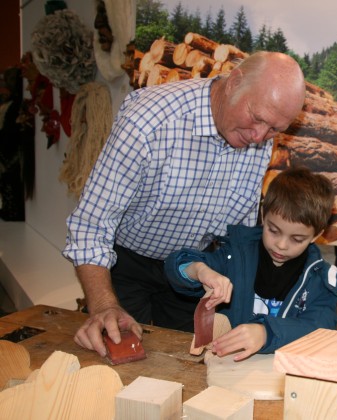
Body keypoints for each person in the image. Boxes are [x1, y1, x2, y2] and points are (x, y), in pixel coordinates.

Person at [63, 51, 306, 358]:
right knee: (121, 359)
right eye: (257, 118)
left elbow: (239, 231)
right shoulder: (148, 120)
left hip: (195, 271)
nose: (259, 136)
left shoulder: (257, 135)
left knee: (186, 363)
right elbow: (90, 225)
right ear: (234, 83)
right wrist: (103, 305)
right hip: (127, 263)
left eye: (274, 129)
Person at [164, 167, 337, 360]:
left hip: (278, 376)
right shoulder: (235, 254)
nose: (281, 245)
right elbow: (176, 266)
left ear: (316, 235)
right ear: (263, 214)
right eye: (273, 230)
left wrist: (267, 333)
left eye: (297, 239)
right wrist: (199, 270)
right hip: (226, 368)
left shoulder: (319, 279)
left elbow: (321, 328)